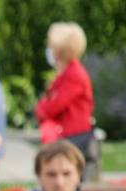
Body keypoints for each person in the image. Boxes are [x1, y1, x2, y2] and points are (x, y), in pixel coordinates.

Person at [35, 22, 94, 155]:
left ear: (59, 50)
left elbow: (53, 106)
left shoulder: (74, 75)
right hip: (66, 136)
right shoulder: (65, 73)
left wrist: (41, 108)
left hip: (73, 137)